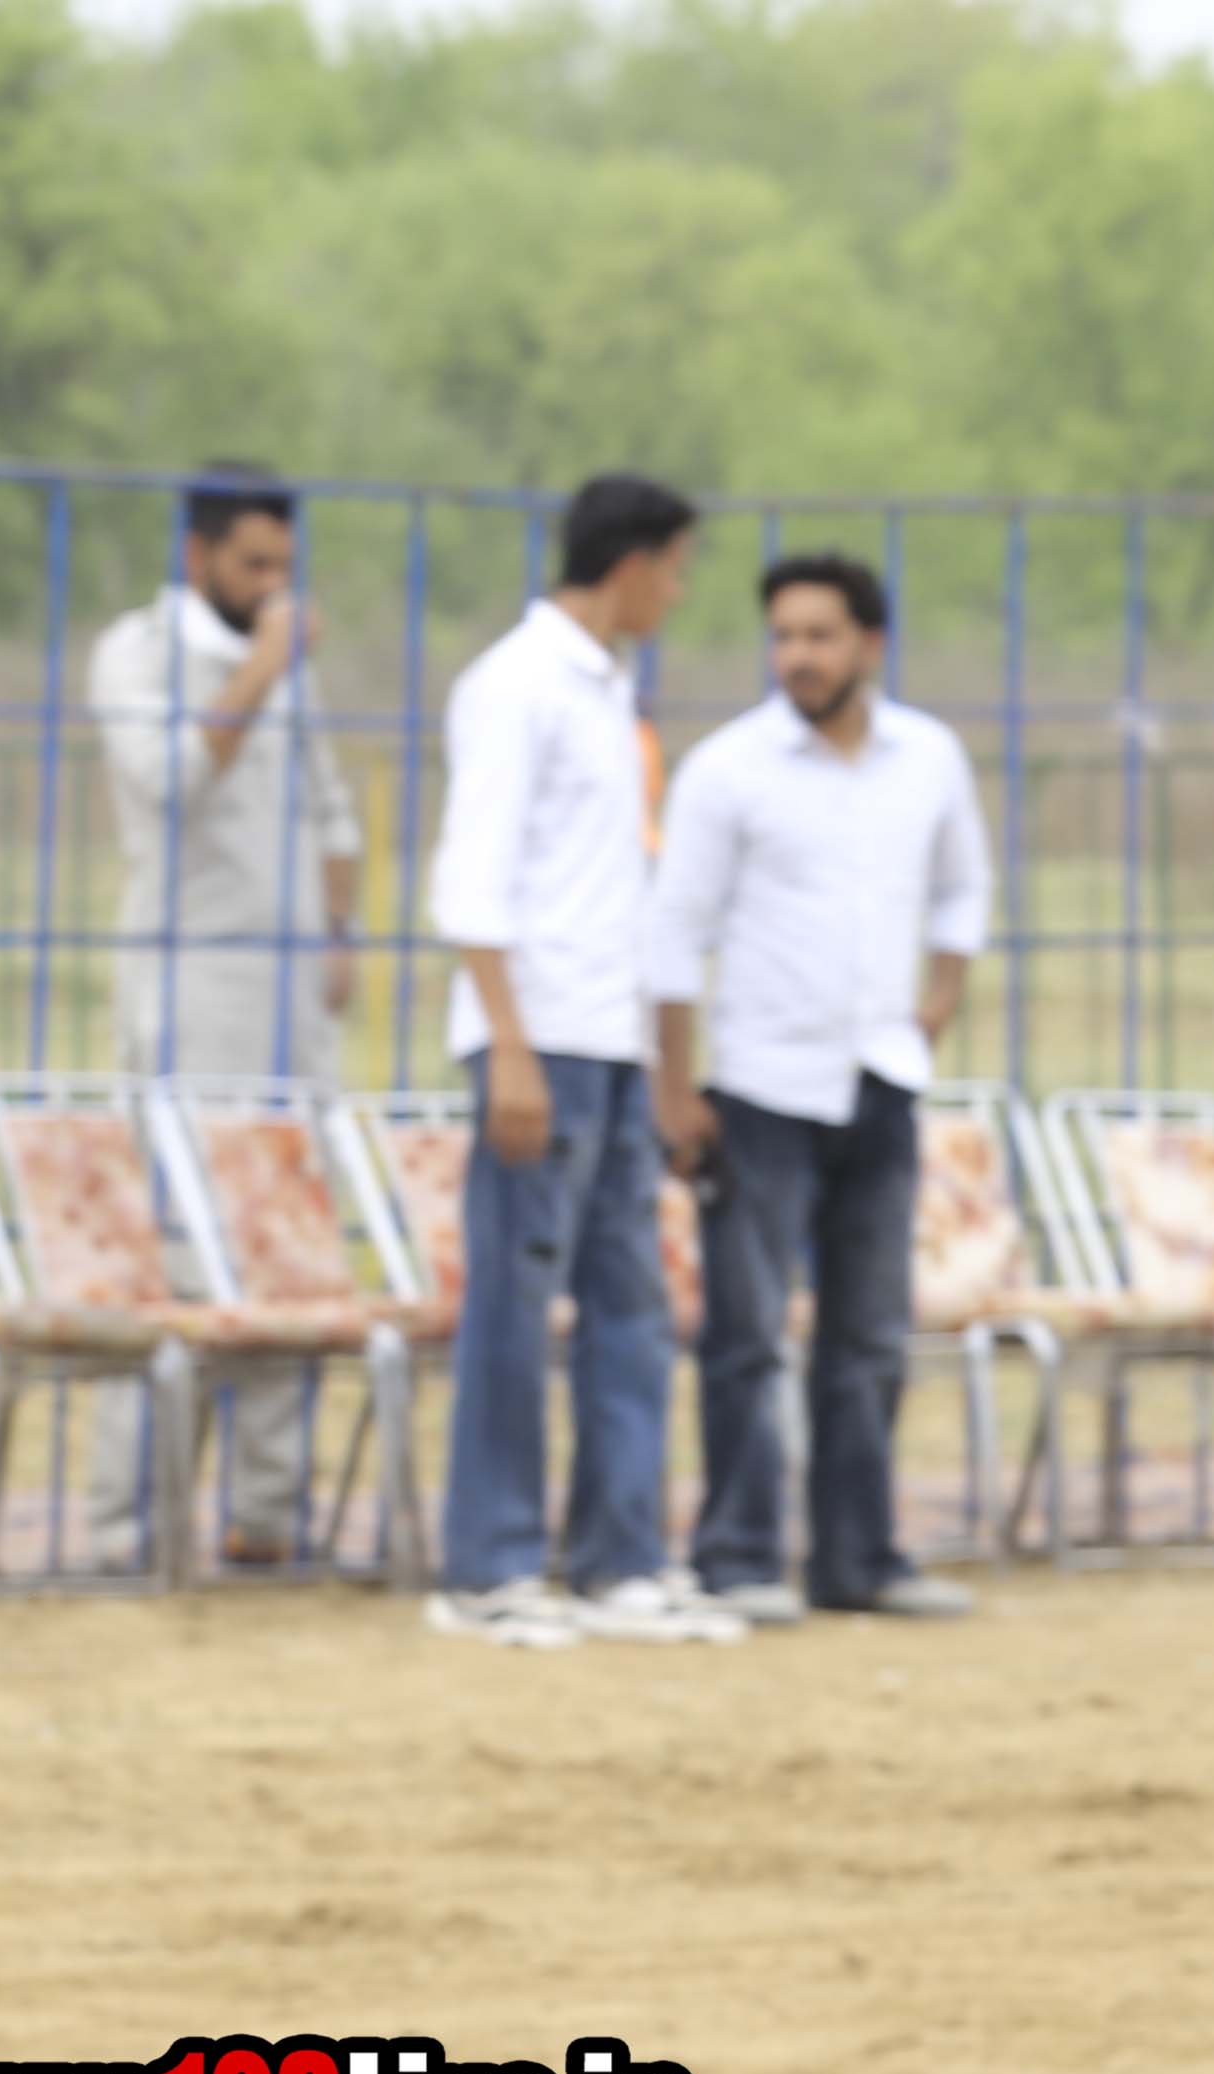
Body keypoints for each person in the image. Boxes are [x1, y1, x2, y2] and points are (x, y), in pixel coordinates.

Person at [646, 551, 993, 1624]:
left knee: (872, 1337)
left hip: (880, 1077)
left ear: (869, 645)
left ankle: (859, 1558)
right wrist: (674, 1089)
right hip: (762, 1086)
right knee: (748, 1335)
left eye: (820, 636)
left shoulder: (926, 758)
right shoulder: (729, 770)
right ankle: (740, 1555)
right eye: (784, 636)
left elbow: (964, 889)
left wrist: (938, 1000)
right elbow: (673, 936)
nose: (798, 656)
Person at [422, 472, 728, 1651]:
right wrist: (507, 1044)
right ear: (634, 563)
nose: (679, 592)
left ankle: (619, 1558)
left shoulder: (609, 693)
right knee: (513, 1302)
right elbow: (474, 873)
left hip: (610, 1038)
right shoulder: (515, 685)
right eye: (675, 568)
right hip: (537, 1037)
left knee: (629, 1309)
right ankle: (490, 1565)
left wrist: (656, 1057)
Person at [84, 461, 362, 1565]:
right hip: (190, 988)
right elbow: (171, 780)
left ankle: (268, 1518)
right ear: (198, 555)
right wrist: (260, 668)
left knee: (287, 1241)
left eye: (284, 567)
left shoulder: (289, 667)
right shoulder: (138, 652)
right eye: (253, 565)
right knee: (177, 1253)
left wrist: (339, 932)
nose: (272, 586)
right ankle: (131, 1526)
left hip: (294, 1001)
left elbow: (332, 809)